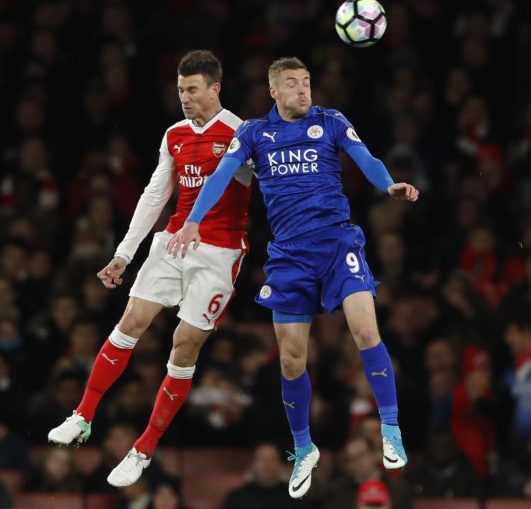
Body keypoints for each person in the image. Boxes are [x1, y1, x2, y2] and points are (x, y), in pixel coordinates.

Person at [169, 57, 419, 499]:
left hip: (338, 244)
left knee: (364, 329)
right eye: (292, 84)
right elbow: (220, 177)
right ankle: (304, 449)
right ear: (273, 92)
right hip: (289, 256)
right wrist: (192, 220)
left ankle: (391, 428)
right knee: (290, 359)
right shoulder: (252, 134)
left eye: (306, 83)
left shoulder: (332, 121)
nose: (303, 91)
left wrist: (388, 185)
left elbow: (367, 157)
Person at [48, 50, 252, 488]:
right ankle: (82, 415)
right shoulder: (174, 135)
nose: (184, 98)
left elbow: (271, 189)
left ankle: (142, 450)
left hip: (219, 253)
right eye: (180, 90)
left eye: (192, 90)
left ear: (215, 88)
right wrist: (124, 253)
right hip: (174, 241)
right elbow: (154, 195)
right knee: (131, 321)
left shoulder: (242, 134)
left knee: (182, 347)